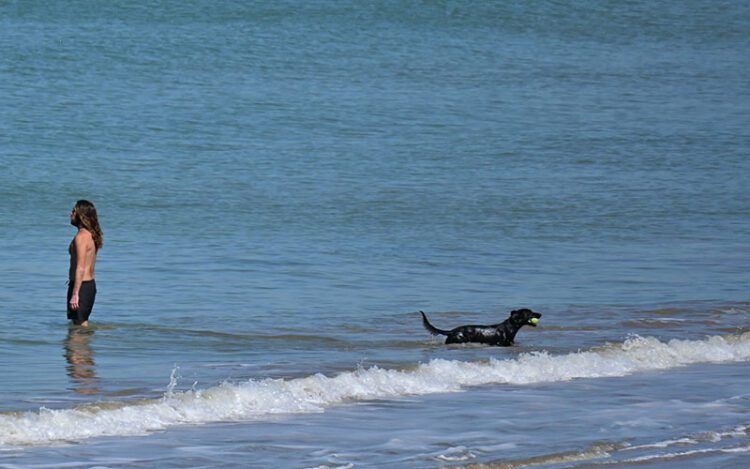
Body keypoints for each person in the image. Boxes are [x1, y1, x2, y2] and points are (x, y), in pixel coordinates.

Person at [68, 200, 103, 327]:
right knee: (80, 327)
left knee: (79, 329)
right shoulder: (91, 235)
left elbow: (80, 267)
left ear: (81, 215)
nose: (70, 214)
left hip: (81, 286)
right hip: (87, 285)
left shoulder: (81, 237)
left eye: (73, 211)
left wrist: (75, 294)